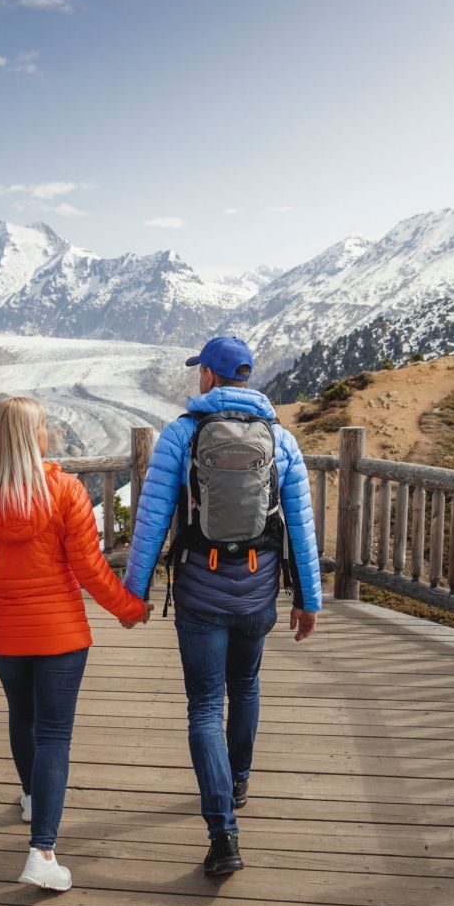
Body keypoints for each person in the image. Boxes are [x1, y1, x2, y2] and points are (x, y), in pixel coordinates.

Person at [123, 335, 321, 876]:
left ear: (209, 376)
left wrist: (134, 593)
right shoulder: (281, 440)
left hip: (199, 591)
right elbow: (299, 528)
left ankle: (222, 835)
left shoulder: (180, 436)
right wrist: (309, 600)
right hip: (258, 590)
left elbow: (151, 521)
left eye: (199, 372)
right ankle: (237, 782)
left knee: (205, 707)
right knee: (247, 687)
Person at [0, 396, 148, 891]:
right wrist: (129, 610)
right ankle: (42, 851)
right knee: (54, 735)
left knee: (23, 716)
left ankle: (33, 797)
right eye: (44, 426)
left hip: (5, 637)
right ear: (34, 435)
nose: (49, 432)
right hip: (61, 634)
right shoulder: (65, 492)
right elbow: (89, 568)